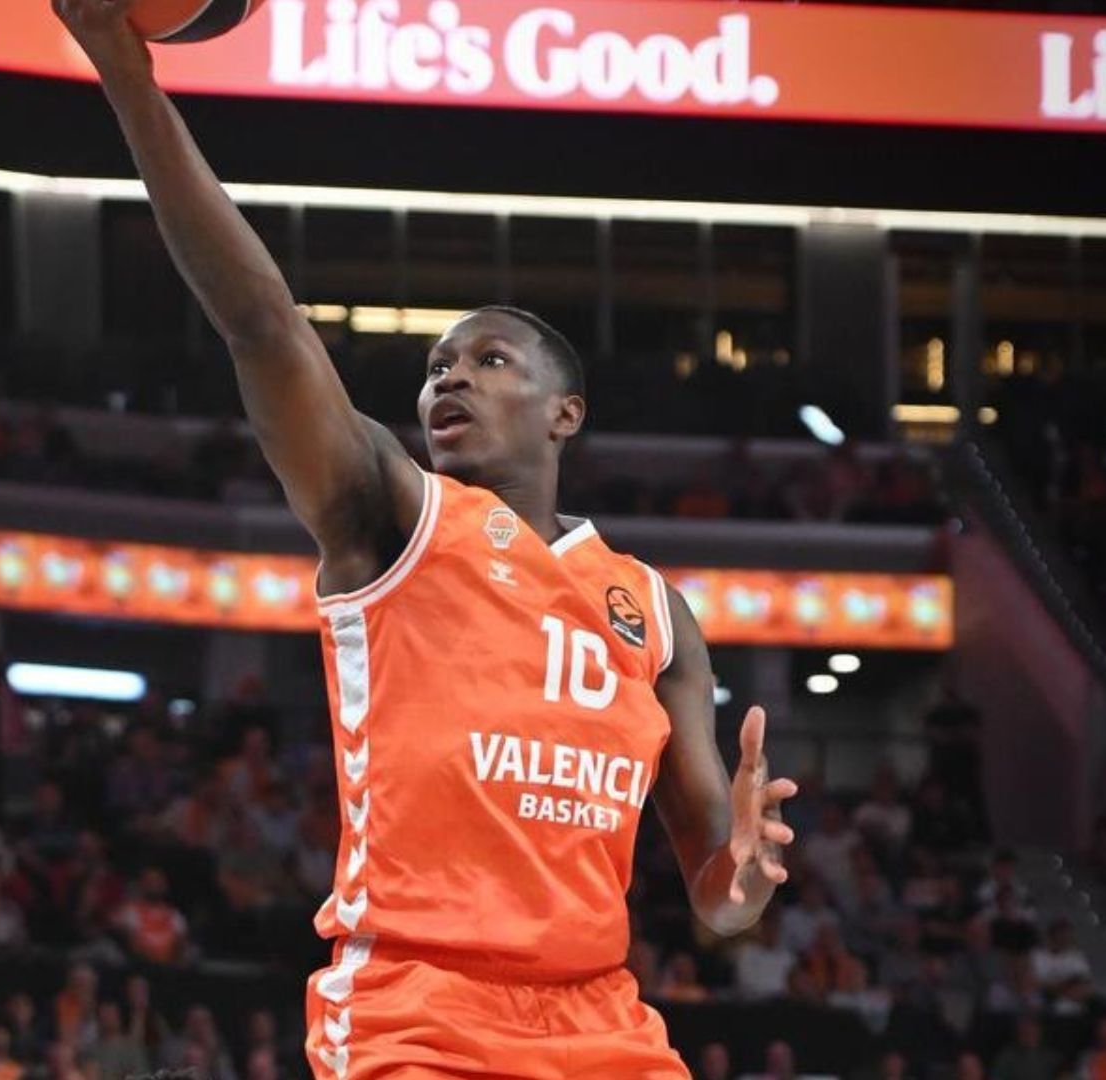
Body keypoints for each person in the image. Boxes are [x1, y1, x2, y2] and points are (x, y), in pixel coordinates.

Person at [51, 2, 800, 1076]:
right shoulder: (392, 516)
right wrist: (126, 72)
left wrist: (746, 877)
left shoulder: (654, 610)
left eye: (489, 361)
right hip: (419, 1010)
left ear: (566, 413)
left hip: (600, 1022)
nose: (450, 377)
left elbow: (716, 900)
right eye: (438, 365)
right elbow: (261, 324)